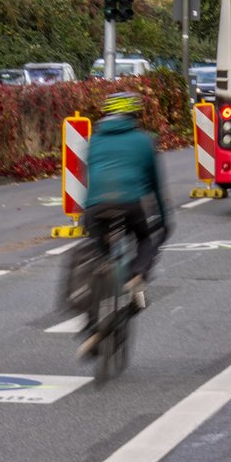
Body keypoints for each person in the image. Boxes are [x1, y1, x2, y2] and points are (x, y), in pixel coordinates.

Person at [79, 90, 169, 329]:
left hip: (95, 208)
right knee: (145, 239)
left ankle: (92, 316)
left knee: (100, 254)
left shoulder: (94, 140)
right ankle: (135, 276)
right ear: (134, 116)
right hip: (131, 205)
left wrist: (85, 216)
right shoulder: (144, 140)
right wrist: (163, 219)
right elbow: (155, 185)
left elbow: (88, 179)